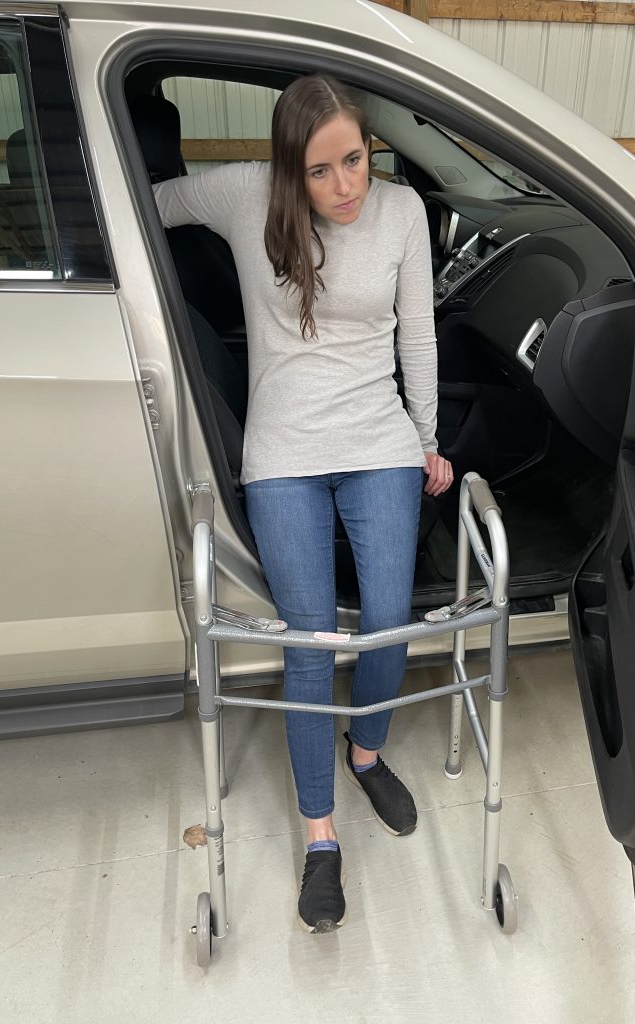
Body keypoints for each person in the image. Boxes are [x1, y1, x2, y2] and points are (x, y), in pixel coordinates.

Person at [153, 74, 453, 933]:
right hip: (282, 450)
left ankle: (366, 753)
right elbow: (146, 203)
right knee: (312, 636)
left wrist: (427, 438)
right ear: (291, 169)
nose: (345, 186)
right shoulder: (247, 193)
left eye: (355, 160)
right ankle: (321, 839)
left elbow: (419, 332)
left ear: (370, 147)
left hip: (379, 440)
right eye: (321, 172)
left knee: (389, 617)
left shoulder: (401, 215)